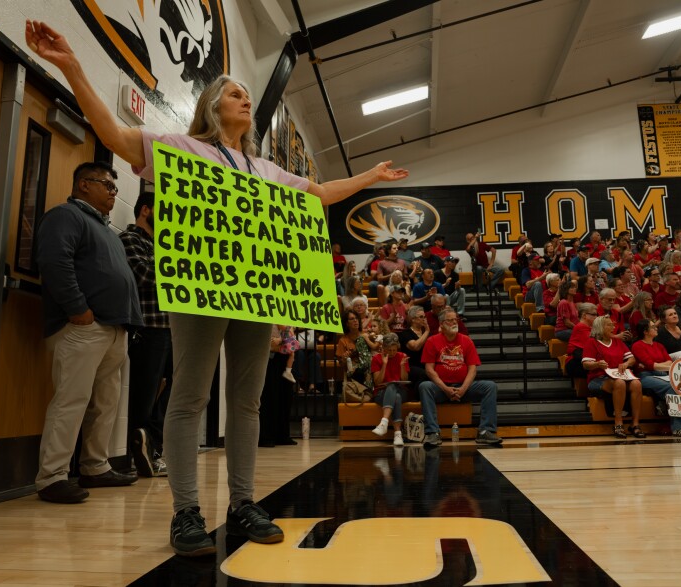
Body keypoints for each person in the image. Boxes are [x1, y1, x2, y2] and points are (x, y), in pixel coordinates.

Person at [25, 19, 410, 554]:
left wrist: (367, 178)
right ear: (212, 105)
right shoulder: (179, 148)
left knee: (246, 403)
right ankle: (185, 511)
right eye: (235, 92)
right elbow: (114, 134)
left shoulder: (268, 169)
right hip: (199, 292)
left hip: (253, 295)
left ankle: (244, 502)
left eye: (248, 94)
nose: (245, 98)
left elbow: (318, 193)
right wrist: (70, 66)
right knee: (188, 399)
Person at [33, 161, 143, 504]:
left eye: (115, 188)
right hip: (83, 327)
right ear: (84, 185)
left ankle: (94, 466)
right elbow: (54, 261)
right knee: (71, 400)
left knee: (106, 402)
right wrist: (78, 309)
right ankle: (51, 477)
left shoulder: (106, 230)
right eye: (108, 186)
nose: (114, 193)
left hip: (113, 328)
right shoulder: (66, 216)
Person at [121, 192, 170, 478]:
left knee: (166, 394)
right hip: (149, 328)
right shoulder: (130, 240)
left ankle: (154, 449)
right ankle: (138, 454)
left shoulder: (161, 244)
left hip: (170, 328)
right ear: (145, 210)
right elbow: (144, 277)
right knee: (145, 393)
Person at [419, 309, 502, 448]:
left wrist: (463, 389)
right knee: (424, 386)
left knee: (490, 386)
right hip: (441, 388)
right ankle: (433, 433)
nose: (454, 322)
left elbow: (473, 369)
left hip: (464, 387)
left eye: (455, 319)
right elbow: (429, 370)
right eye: (450, 320)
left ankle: (485, 431)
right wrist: (445, 389)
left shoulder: (466, 340)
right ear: (441, 324)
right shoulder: (432, 341)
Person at [631, 319, 681, 437]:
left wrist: (659, 365)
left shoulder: (659, 345)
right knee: (674, 387)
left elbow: (668, 361)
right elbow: (651, 365)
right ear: (645, 331)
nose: (656, 328)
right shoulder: (637, 346)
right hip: (646, 376)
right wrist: (659, 365)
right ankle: (679, 427)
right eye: (653, 327)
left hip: (663, 374)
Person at [582, 315, 646, 439]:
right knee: (619, 383)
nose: (613, 327)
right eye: (609, 325)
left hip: (619, 375)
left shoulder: (617, 341)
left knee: (637, 384)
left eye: (613, 324)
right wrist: (597, 364)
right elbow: (586, 365)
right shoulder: (592, 342)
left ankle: (635, 424)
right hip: (598, 378)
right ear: (600, 327)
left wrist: (626, 363)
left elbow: (632, 359)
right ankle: (618, 422)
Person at [258, 326, 296, 448]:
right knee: (269, 397)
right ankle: (266, 436)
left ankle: (282, 435)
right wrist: (282, 340)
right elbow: (270, 343)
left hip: (284, 358)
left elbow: (292, 340)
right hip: (270, 358)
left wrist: (280, 340)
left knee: (284, 398)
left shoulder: (287, 319)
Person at [370, 333, 410, 446]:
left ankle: (384, 422)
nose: (392, 353)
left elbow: (405, 379)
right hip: (381, 393)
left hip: (401, 390)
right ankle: (398, 434)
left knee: (394, 388)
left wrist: (402, 365)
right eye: (389, 350)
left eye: (394, 350)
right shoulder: (377, 358)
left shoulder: (402, 356)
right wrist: (384, 364)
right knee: (394, 394)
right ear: (384, 348)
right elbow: (377, 382)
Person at [398, 305, 431, 395]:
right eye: (421, 317)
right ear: (413, 319)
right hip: (410, 365)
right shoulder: (405, 333)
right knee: (424, 374)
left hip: (426, 364)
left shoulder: (425, 333)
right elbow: (415, 347)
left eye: (424, 317)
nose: (424, 319)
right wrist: (427, 331)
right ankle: (416, 397)